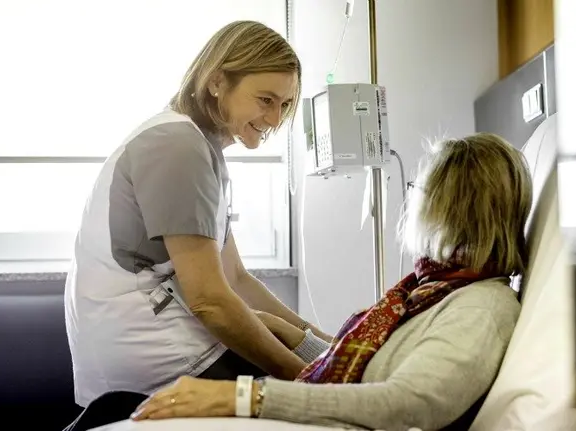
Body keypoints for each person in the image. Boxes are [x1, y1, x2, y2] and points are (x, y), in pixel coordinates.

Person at [123, 132, 533, 430]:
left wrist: (243, 396)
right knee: (120, 409)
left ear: (446, 207)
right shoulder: (432, 291)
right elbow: (371, 368)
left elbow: (408, 402)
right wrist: (292, 334)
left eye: (417, 189)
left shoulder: (481, 308)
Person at [63, 20, 332, 411]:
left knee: (284, 334)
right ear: (218, 82)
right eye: (265, 100)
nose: (276, 119)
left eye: (285, 105)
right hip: (153, 360)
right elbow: (210, 301)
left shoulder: (198, 149)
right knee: (314, 387)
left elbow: (236, 278)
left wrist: (332, 345)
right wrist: (312, 389)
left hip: (152, 345)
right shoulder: (178, 147)